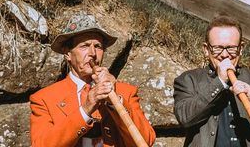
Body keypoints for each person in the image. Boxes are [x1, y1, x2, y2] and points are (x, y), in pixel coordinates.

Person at [29, 13, 156, 147]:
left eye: (98, 46)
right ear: (68, 54)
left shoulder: (125, 92)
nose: (93, 53)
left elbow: (147, 140)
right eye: (84, 46)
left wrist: (115, 101)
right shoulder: (44, 99)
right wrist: (86, 108)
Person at [173, 15, 250, 146]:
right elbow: (185, 118)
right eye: (218, 48)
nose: (224, 54)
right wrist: (220, 82)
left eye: (231, 48)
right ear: (206, 50)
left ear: (241, 49)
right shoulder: (188, 80)